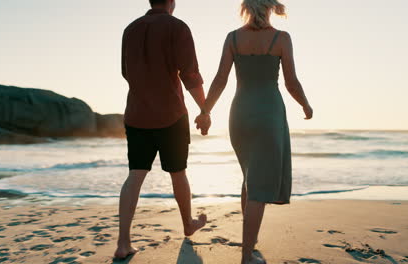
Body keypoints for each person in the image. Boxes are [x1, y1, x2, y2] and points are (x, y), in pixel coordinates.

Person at [196, 0, 313, 263]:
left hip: (239, 115)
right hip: (268, 114)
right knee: (259, 187)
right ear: (270, 6)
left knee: (249, 178)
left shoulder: (233, 38)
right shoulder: (281, 38)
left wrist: (206, 110)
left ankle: (251, 240)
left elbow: (220, 79)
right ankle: (247, 256)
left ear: (246, 7)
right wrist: (305, 103)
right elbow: (291, 82)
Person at [115, 0, 211, 259]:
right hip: (171, 113)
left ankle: (123, 242)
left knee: (135, 174)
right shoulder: (177, 27)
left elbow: (126, 72)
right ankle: (188, 224)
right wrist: (205, 109)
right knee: (178, 173)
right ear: (171, 2)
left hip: (137, 113)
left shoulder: (130, 29)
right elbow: (190, 73)